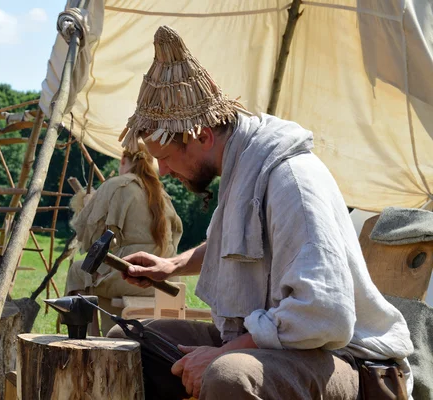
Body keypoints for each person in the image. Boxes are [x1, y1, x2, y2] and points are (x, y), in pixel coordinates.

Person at [109, 25, 414, 400]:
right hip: (283, 344)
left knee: (229, 376)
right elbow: (232, 243)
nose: (165, 172)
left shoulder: (292, 180)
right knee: (129, 340)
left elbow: (324, 314)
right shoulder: (242, 169)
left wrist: (223, 353)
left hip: (349, 362)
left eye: (167, 159)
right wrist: (170, 266)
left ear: (202, 135)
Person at [65, 143, 183, 336]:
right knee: (92, 271)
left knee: (78, 270)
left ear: (122, 160)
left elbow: (89, 237)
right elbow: (176, 233)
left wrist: (87, 204)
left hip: (134, 279)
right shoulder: (162, 192)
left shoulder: (116, 184)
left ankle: (90, 340)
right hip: (167, 281)